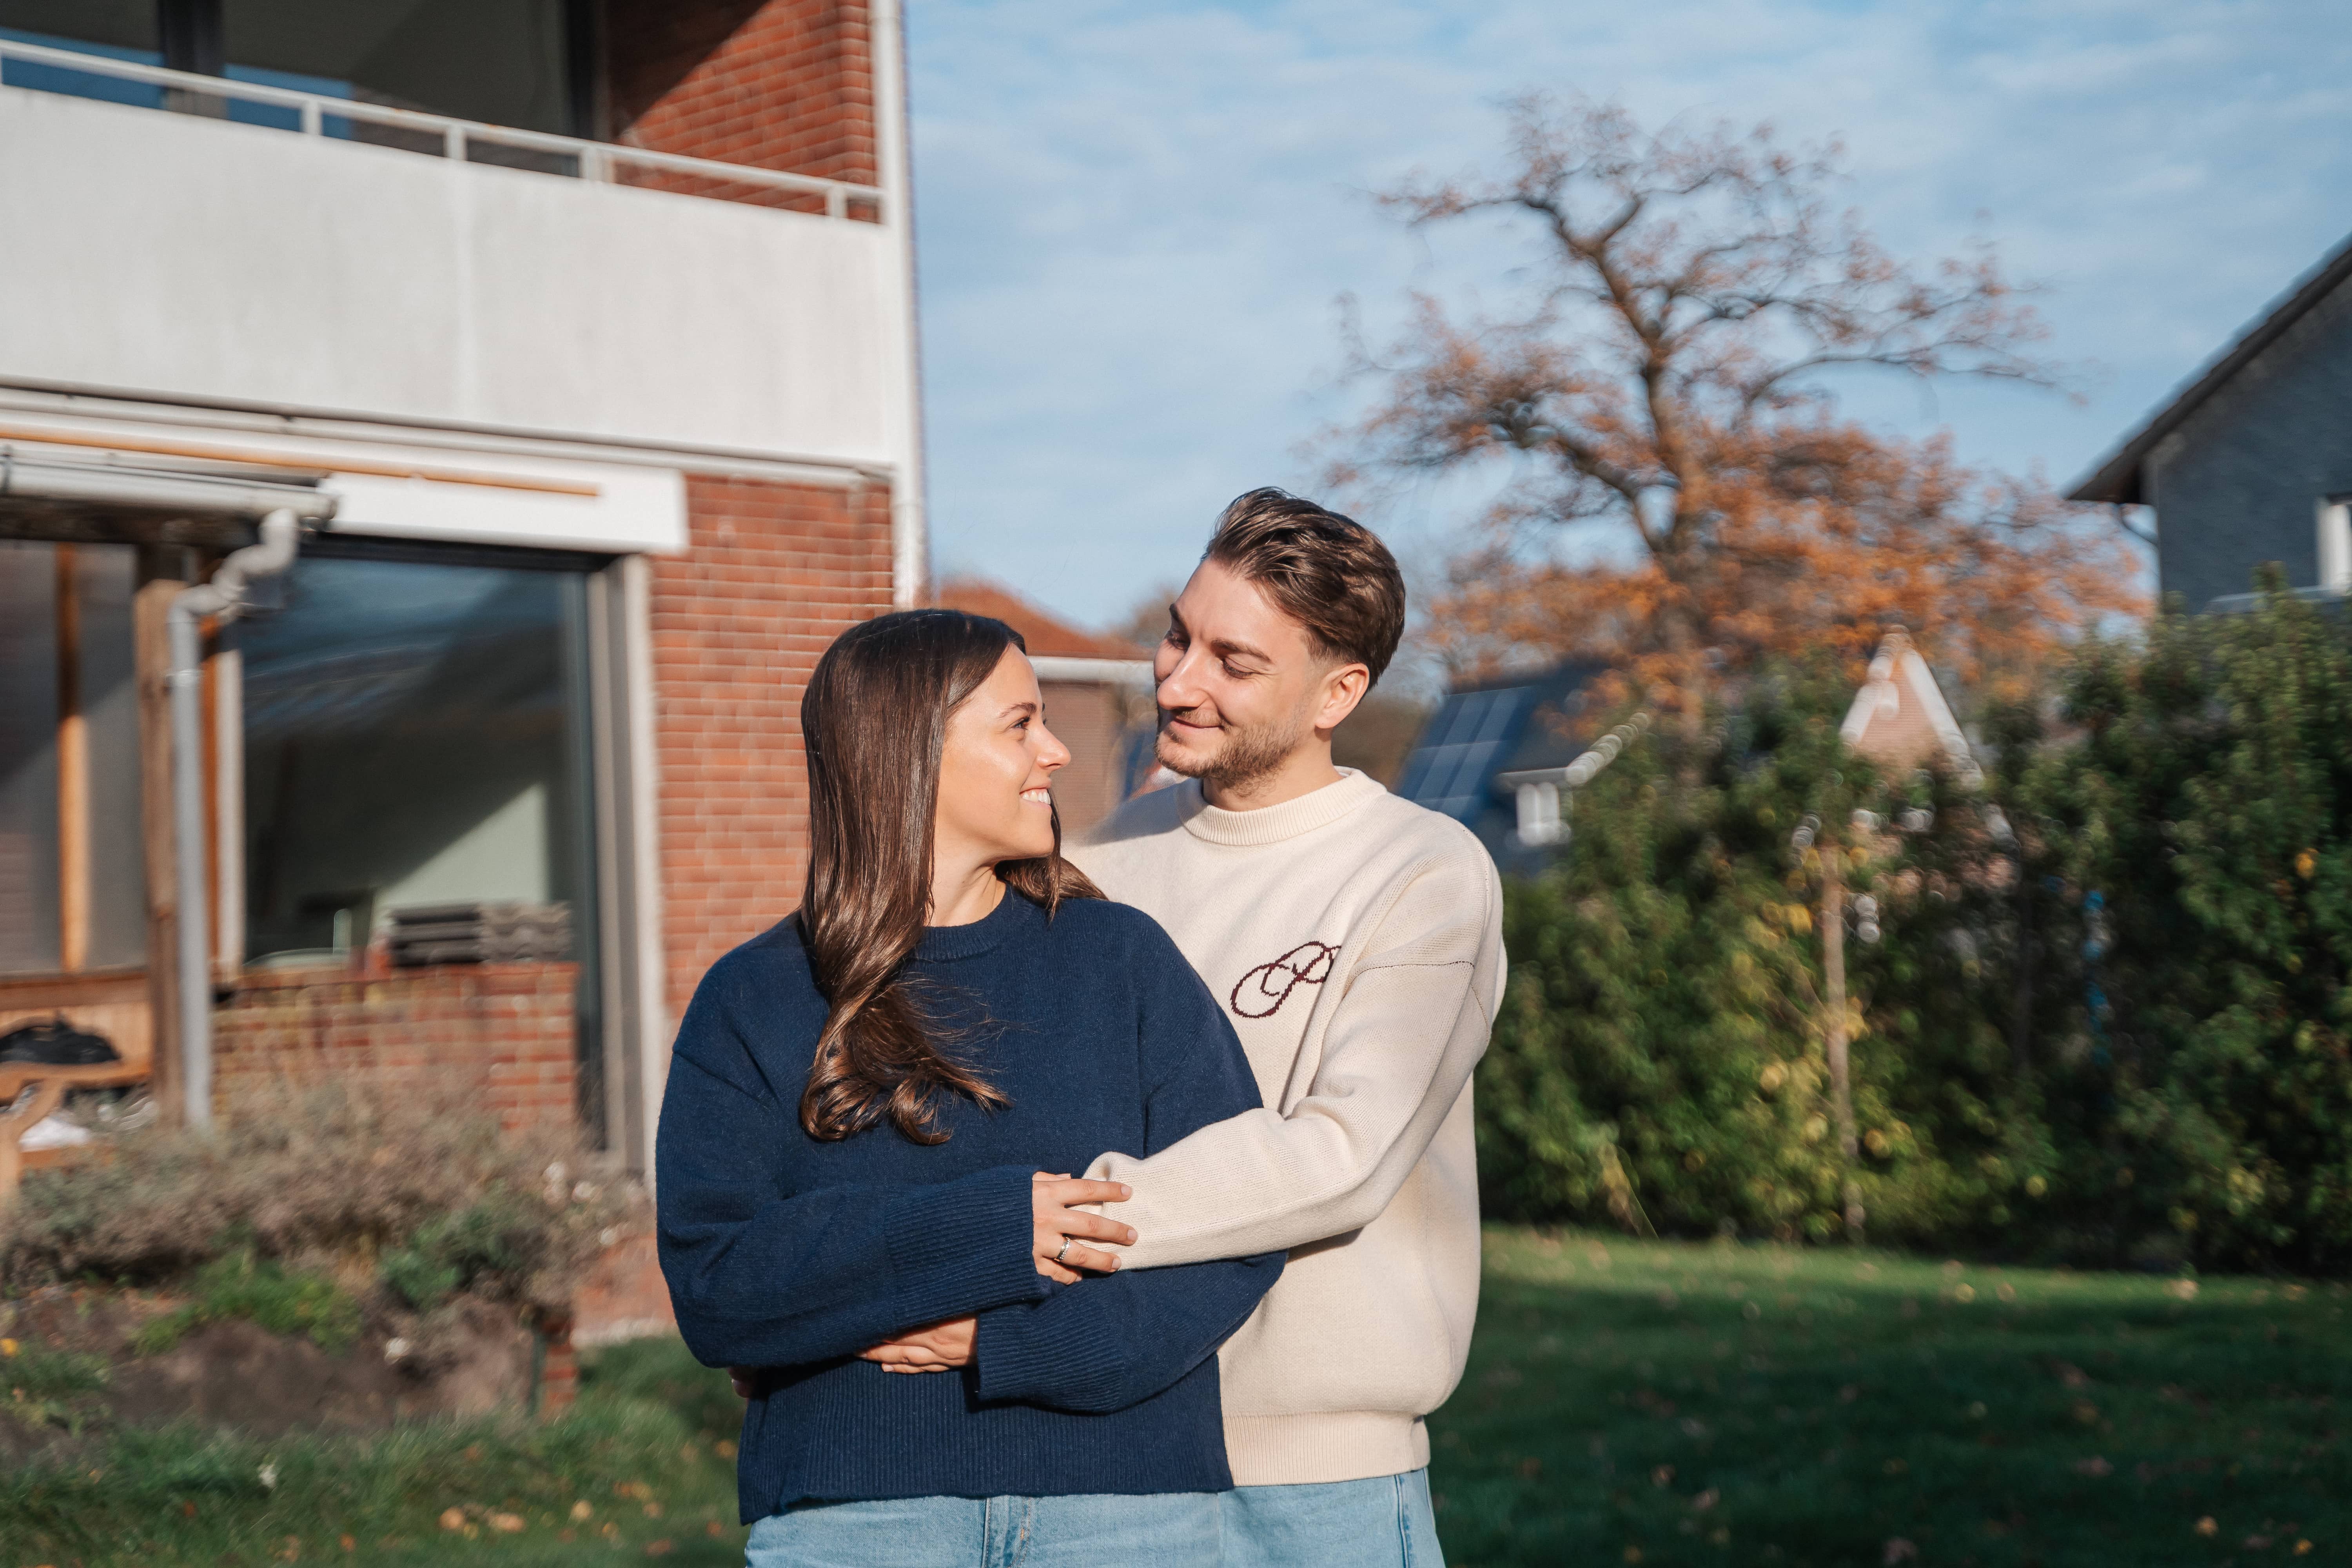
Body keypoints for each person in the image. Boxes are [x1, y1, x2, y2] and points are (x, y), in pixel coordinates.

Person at [864, 488, 1503, 1565]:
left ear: (1338, 692)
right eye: (1178, 635)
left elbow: (1343, 1156)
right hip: (1106, 1459)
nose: (1176, 680)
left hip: (1321, 1486)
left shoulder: (1424, 871)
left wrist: (1050, 1221)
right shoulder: (1101, 861)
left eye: (1233, 663)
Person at [657, 608, 1284, 1567]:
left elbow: (1239, 1226)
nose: (1056, 751)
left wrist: (1008, 1342)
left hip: (1127, 1512)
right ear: (909, 749)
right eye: (1021, 723)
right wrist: (993, 1228)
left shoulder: (1122, 960)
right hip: (858, 1520)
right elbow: (719, 1287)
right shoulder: (756, 994)